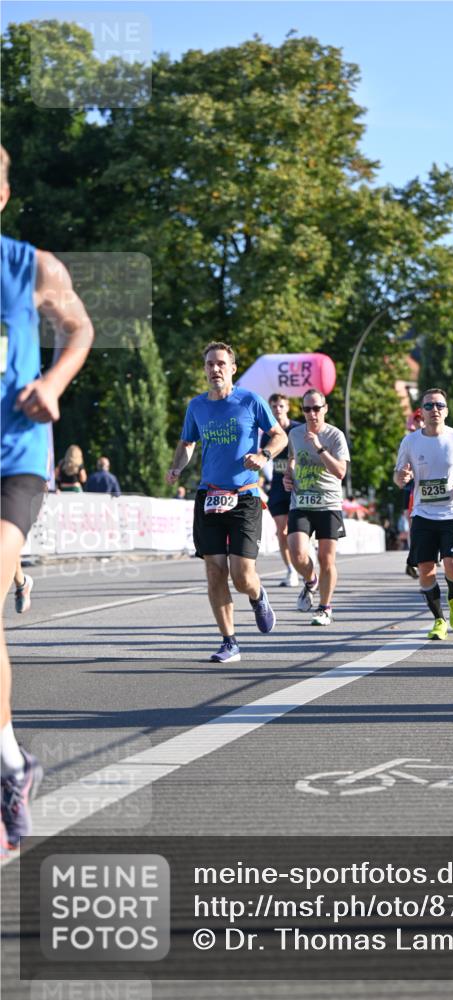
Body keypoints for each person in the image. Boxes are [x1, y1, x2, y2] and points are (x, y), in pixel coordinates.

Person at [1, 143, 94, 851]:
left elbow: (79, 327)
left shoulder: (32, 266)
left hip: (15, 457)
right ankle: (11, 764)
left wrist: (54, 384)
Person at [166, 342, 287, 663]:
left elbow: (280, 436)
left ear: (233, 368)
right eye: (209, 364)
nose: (214, 369)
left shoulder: (250, 400)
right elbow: (187, 442)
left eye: (221, 363)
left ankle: (258, 596)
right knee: (214, 572)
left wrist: (263, 455)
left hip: (245, 496)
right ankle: (229, 641)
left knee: (242, 574)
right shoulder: (197, 406)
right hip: (209, 495)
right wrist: (178, 465)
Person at [394, 387, 453, 640]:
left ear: (446, 411)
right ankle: (439, 620)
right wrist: (402, 477)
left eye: (439, 406)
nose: (435, 410)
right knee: (425, 570)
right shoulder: (410, 441)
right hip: (423, 513)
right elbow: (398, 476)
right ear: (421, 412)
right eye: (429, 406)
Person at [283, 390, 350, 627]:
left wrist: (320, 448)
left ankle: (325, 607)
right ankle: (310, 581)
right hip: (301, 502)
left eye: (316, 408)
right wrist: (288, 476)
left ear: (325, 408)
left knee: (326, 558)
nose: (312, 414)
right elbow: (292, 458)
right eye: (307, 409)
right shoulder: (295, 433)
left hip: (328, 503)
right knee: (297, 553)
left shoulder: (335, 436)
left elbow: (341, 472)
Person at [261, 393, 301, 587]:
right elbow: (262, 460)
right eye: (274, 406)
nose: (278, 409)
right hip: (277, 487)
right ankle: (291, 570)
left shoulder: (298, 429)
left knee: (299, 530)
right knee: (282, 531)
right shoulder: (267, 434)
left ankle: (306, 553)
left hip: (298, 486)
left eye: (281, 406)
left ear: (288, 408)